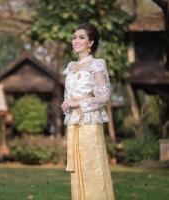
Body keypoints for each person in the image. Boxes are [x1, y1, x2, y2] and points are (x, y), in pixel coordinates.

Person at [61, 23, 115, 200]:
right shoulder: (70, 67)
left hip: (90, 122)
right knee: (78, 166)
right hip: (74, 122)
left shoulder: (96, 65)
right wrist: (66, 103)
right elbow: (70, 95)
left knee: (92, 166)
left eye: (81, 37)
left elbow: (104, 97)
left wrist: (77, 103)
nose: (76, 40)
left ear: (91, 43)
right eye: (74, 37)